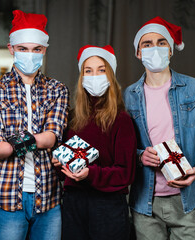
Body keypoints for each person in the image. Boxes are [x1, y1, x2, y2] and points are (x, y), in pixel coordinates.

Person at [124, 16, 195, 240]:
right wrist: (141, 156)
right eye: (147, 44)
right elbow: (124, 148)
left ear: (171, 50)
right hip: (145, 203)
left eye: (161, 43)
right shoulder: (128, 96)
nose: (154, 49)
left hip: (188, 199)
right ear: (138, 53)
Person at [0, 10, 69, 240]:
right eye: (23, 49)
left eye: (36, 49)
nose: (30, 55)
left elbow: (51, 137)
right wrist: (35, 139)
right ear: (11, 49)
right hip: (6, 197)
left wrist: (15, 141)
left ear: (44, 50)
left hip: (48, 197)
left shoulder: (57, 90)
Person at [52, 45, 137, 240]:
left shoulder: (121, 120)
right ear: (81, 77)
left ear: (110, 75)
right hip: (74, 205)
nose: (94, 76)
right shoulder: (72, 118)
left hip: (108, 207)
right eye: (88, 71)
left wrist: (91, 173)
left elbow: (126, 173)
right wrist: (59, 165)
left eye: (101, 70)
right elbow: (65, 168)